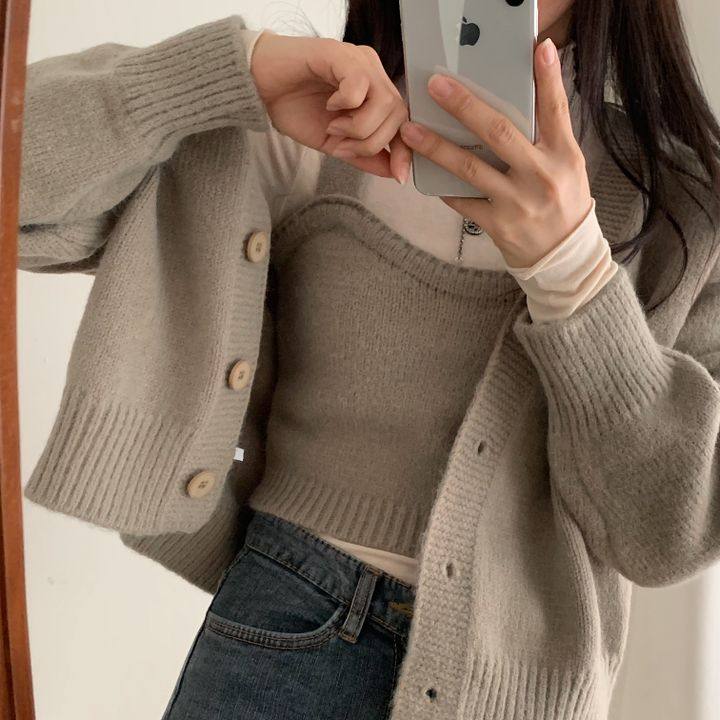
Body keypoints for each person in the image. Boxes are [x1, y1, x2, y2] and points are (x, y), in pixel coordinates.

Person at [17, 1, 720, 719]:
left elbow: (668, 533)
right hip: (279, 629)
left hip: (516, 694)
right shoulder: (312, 122)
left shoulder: (687, 208)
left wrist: (574, 272)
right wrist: (232, 71)